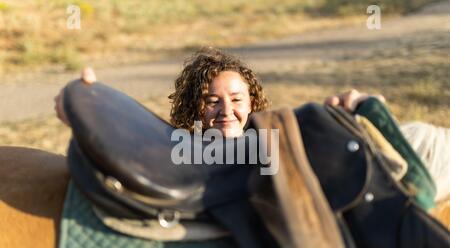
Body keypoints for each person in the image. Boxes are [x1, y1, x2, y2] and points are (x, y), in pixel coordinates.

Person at [54, 47, 380, 137]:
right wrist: (89, 111)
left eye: (236, 99)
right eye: (212, 101)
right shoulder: (176, 148)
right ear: (194, 107)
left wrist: (365, 110)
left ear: (252, 103)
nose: (226, 110)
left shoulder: (275, 140)